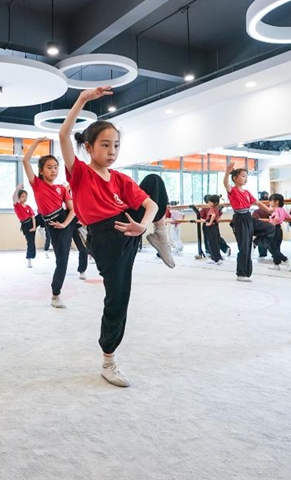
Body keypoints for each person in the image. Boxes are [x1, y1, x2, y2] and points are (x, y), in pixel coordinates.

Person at [59, 86, 174, 387]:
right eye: (105, 145)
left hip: (130, 230)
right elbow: (62, 136)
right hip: (105, 237)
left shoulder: (121, 178)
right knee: (118, 299)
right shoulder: (80, 173)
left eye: (116, 146)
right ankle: (108, 361)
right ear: (88, 147)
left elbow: (149, 204)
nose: (111, 152)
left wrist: (144, 225)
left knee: (154, 181)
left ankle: (159, 234)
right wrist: (83, 100)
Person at [22, 137, 77, 308]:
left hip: (65, 220)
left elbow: (73, 209)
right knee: (62, 259)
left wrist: (65, 224)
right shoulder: (36, 184)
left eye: (56, 167)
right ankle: (56, 295)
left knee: (63, 260)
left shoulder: (61, 188)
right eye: (49, 167)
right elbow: (25, 160)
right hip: (52, 223)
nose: (53, 170)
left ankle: (55, 295)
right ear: (41, 170)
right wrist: (37, 142)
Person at [224, 162, 274, 281]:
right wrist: (227, 172)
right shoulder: (232, 190)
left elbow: (257, 203)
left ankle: (255, 242)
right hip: (239, 219)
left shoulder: (247, 193)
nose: (245, 178)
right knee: (244, 247)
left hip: (249, 217)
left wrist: (269, 210)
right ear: (235, 178)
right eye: (243, 176)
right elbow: (225, 183)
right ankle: (241, 274)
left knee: (270, 228)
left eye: (246, 176)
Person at [266, 194, 291, 271]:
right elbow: (289, 217)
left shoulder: (275, 210)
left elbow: (276, 218)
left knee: (271, 247)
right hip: (279, 230)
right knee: (276, 247)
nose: (270, 202)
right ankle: (276, 264)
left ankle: (287, 260)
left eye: (271, 201)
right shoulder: (283, 210)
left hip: (274, 229)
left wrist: (271, 227)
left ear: (276, 202)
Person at [13, 184, 37, 268]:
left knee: (41, 216)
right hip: (25, 225)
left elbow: (33, 217)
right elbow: (14, 198)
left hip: (32, 223)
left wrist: (34, 227)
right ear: (19, 197)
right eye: (22, 196)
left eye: (26, 196)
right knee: (30, 242)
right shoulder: (17, 206)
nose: (24, 198)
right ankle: (29, 259)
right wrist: (17, 188)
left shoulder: (29, 207)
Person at [203, 195, 224, 265]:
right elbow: (218, 217)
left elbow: (213, 216)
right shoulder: (216, 208)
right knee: (214, 242)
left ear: (214, 203)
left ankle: (217, 258)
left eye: (210, 201)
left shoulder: (212, 208)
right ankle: (214, 258)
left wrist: (209, 223)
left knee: (212, 242)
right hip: (215, 226)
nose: (208, 202)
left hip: (212, 227)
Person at [253, 191, 271, 258]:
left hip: (268, 225)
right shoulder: (257, 211)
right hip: (261, 226)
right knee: (262, 238)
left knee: (265, 238)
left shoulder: (269, 206)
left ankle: (255, 244)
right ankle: (263, 252)